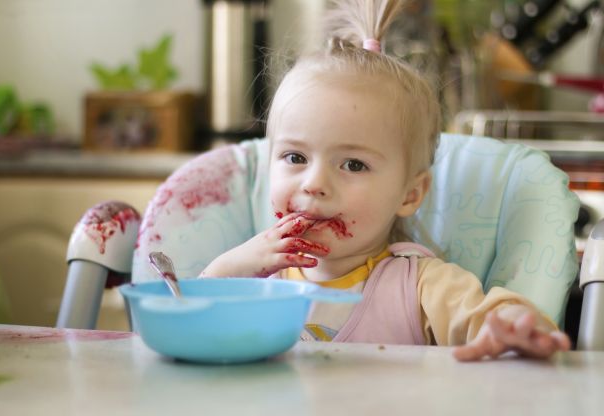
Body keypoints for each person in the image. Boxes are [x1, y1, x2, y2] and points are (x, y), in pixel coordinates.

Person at [200, 0, 571, 361]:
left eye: (354, 165)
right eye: (295, 157)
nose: (314, 183)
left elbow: (492, 320)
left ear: (410, 194)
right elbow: (188, 341)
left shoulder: (421, 287)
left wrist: (514, 326)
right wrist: (222, 273)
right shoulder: (252, 282)